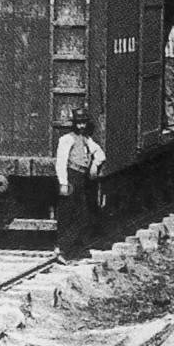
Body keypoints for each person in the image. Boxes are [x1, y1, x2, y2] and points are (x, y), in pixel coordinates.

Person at [55, 108, 106, 253]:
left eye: (83, 123)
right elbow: (61, 162)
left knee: (82, 214)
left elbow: (100, 153)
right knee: (67, 212)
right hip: (71, 177)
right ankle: (62, 247)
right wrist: (63, 183)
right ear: (74, 124)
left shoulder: (86, 139)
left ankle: (71, 246)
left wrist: (95, 164)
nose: (81, 126)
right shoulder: (66, 139)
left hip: (81, 177)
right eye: (78, 123)